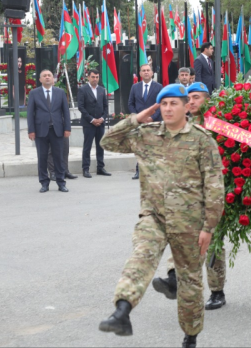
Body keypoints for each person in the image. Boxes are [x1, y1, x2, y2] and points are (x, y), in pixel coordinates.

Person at [98, 84, 224, 348]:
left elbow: (214, 187)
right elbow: (107, 141)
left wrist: (208, 227)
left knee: (189, 283)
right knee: (141, 257)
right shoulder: (146, 134)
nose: (167, 109)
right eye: (163, 104)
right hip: (153, 217)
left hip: (189, 223)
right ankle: (122, 311)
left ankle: (191, 336)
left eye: (173, 104)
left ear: (186, 106)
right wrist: (136, 119)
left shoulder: (202, 140)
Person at [151, 82, 228, 312]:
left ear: (206, 100)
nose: (192, 102)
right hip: (184, 198)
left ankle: (217, 290)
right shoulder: (180, 124)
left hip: (212, 195)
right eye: (189, 99)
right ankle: (174, 278)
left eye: (196, 98)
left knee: (212, 244)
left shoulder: (218, 126)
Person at [27, 69, 71, 193]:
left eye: (49, 76)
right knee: (42, 157)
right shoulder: (34, 93)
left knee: (59, 157)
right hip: (41, 131)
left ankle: (61, 182)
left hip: (57, 130)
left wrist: (67, 128)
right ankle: (44, 183)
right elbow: (30, 113)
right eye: (44, 76)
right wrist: (31, 130)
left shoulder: (60, 92)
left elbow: (65, 112)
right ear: (40, 79)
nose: (47, 77)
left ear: (53, 79)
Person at [128, 64, 163, 180]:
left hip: (154, 122)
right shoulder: (135, 87)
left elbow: (161, 105)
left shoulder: (158, 87)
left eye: (148, 70)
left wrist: (152, 118)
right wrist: (138, 117)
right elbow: (130, 104)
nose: (146, 72)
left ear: (152, 73)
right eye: (144, 71)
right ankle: (139, 171)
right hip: (140, 123)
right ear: (140, 73)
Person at [78, 70, 111, 178]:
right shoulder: (83, 90)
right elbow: (81, 107)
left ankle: (100, 168)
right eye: (93, 77)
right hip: (89, 123)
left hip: (100, 123)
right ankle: (86, 169)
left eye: (97, 77)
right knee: (87, 146)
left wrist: (102, 118)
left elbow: (105, 106)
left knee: (100, 145)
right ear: (88, 77)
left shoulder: (102, 90)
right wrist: (92, 119)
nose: (95, 79)